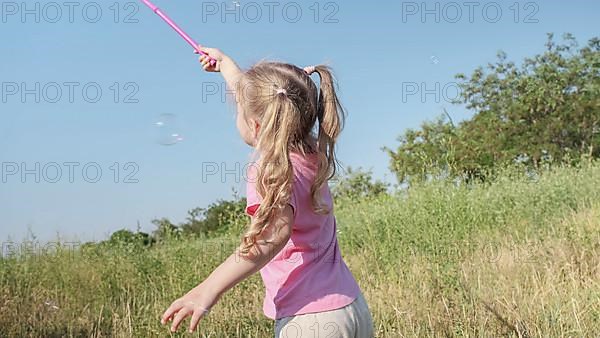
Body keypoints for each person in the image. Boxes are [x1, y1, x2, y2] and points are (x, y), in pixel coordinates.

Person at [160, 47, 374, 337]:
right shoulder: (312, 153)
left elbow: (272, 237)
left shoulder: (270, 170)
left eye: (240, 109)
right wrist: (225, 65)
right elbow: (267, 97)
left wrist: (207, 290)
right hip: (351, 309)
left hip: (310, 320)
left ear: (257, 125)